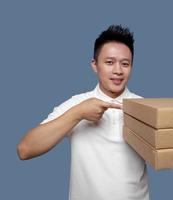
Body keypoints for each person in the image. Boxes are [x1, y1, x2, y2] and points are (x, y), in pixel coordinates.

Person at [17, 25, 150, 200]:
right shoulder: (77, 104)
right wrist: (78, 114)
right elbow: (25, 149)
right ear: (95, 65)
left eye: (125, 64)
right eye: (109, 62)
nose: (118, 70)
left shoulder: (145, 107)